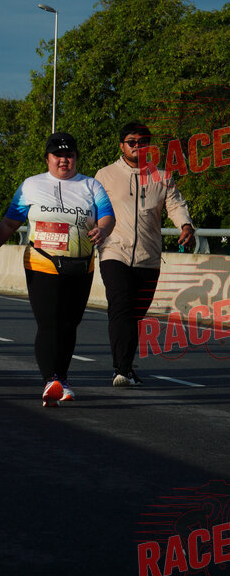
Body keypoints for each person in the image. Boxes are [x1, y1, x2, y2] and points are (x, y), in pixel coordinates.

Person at [0, 132, 115, 407]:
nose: (64, 160)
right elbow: (9, 223)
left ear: (76, 158)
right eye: (58, 155)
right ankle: (49, 379)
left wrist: (102, 229)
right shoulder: (31, 185)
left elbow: (108, 217)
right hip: (42, 263)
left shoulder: (91, 185)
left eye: (69, 155)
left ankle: (61, 380)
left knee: (70, 324)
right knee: (49, 321)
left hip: (81, 265)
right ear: (47, 159)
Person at [95, 122, 195, 387]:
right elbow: (92, 209)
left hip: (148, 257)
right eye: (132, 142)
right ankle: (122, 368)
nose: (137, 146)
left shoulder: (162, 176)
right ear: (122, 145)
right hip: (114, 252)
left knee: (136, 314)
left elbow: (175, 205)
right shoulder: (105, 175)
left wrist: (186, 226)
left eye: (143, 142)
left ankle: (126, 367)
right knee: (121, 307)